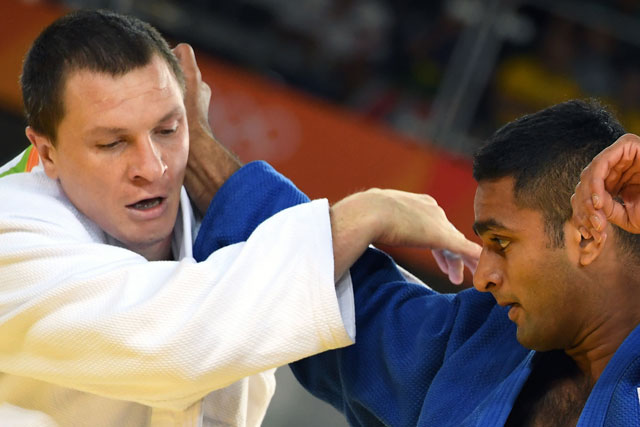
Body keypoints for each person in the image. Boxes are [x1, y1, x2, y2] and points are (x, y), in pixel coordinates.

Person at [0, 9, 480, 426]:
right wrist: (364, 215)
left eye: (168, 129)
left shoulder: (216, 220)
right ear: (47, 151)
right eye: (112, 143)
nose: (154, 168)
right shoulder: (11, 227)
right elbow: (171, 344)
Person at [192, 99, 640, 426]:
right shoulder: (476, 342)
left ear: (587, 234)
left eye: (502, 242)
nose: (482, 278)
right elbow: (344, 299)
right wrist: (188, 146)